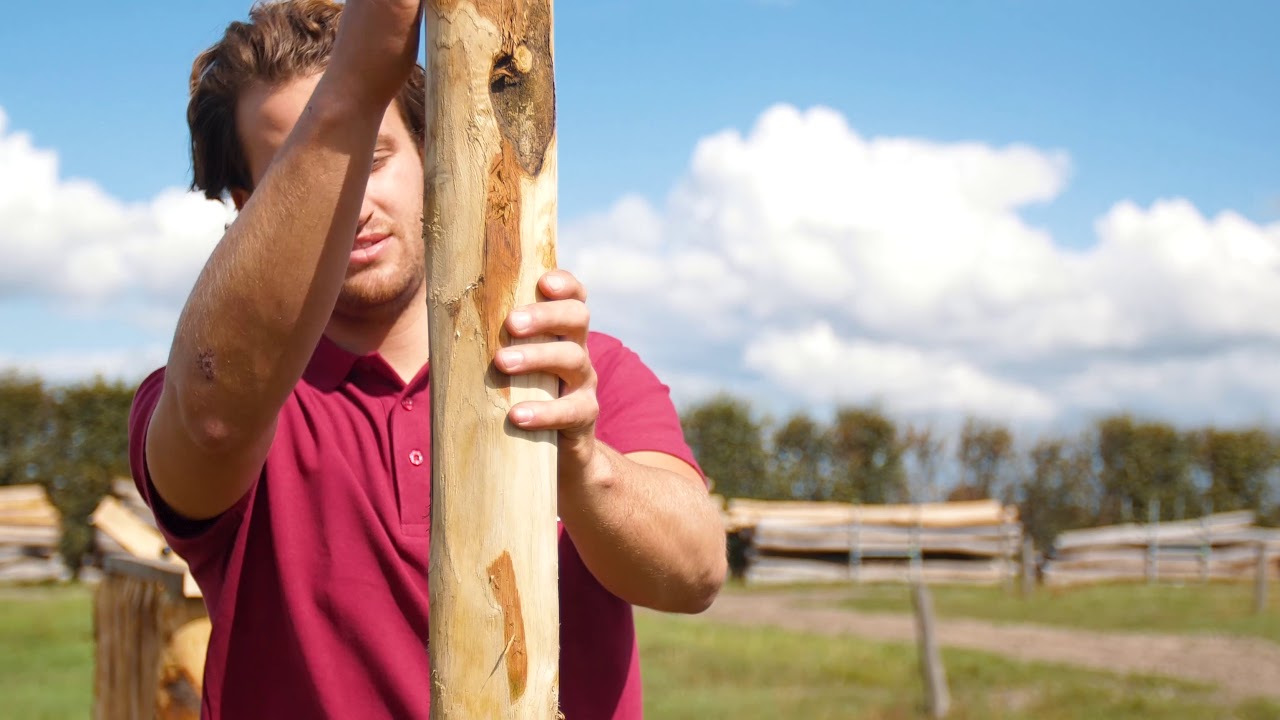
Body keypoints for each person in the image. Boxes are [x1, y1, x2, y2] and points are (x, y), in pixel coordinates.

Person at [125, 1, 728, 717]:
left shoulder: (577, 372)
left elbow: (696, 574)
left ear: (428, 154)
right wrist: (355, 85)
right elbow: (211, 421)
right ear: (252, 206)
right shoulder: (228, 403)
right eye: (308, 166)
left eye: (374, 156)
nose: (355, 203)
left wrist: (581, 461)